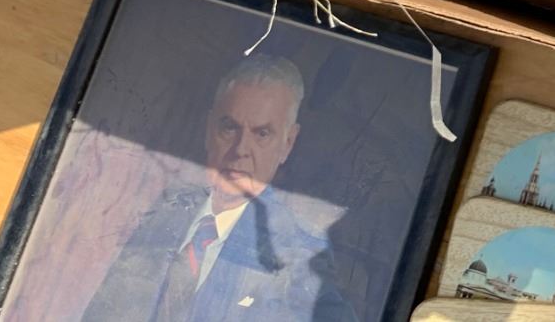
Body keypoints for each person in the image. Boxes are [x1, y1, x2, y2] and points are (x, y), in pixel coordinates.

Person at [81, 55, 357, 322]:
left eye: (262, 134)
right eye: (229, 128)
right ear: (209, 129)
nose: (241, 149)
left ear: (287, 143)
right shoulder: (159, 205)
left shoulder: (298, 252)